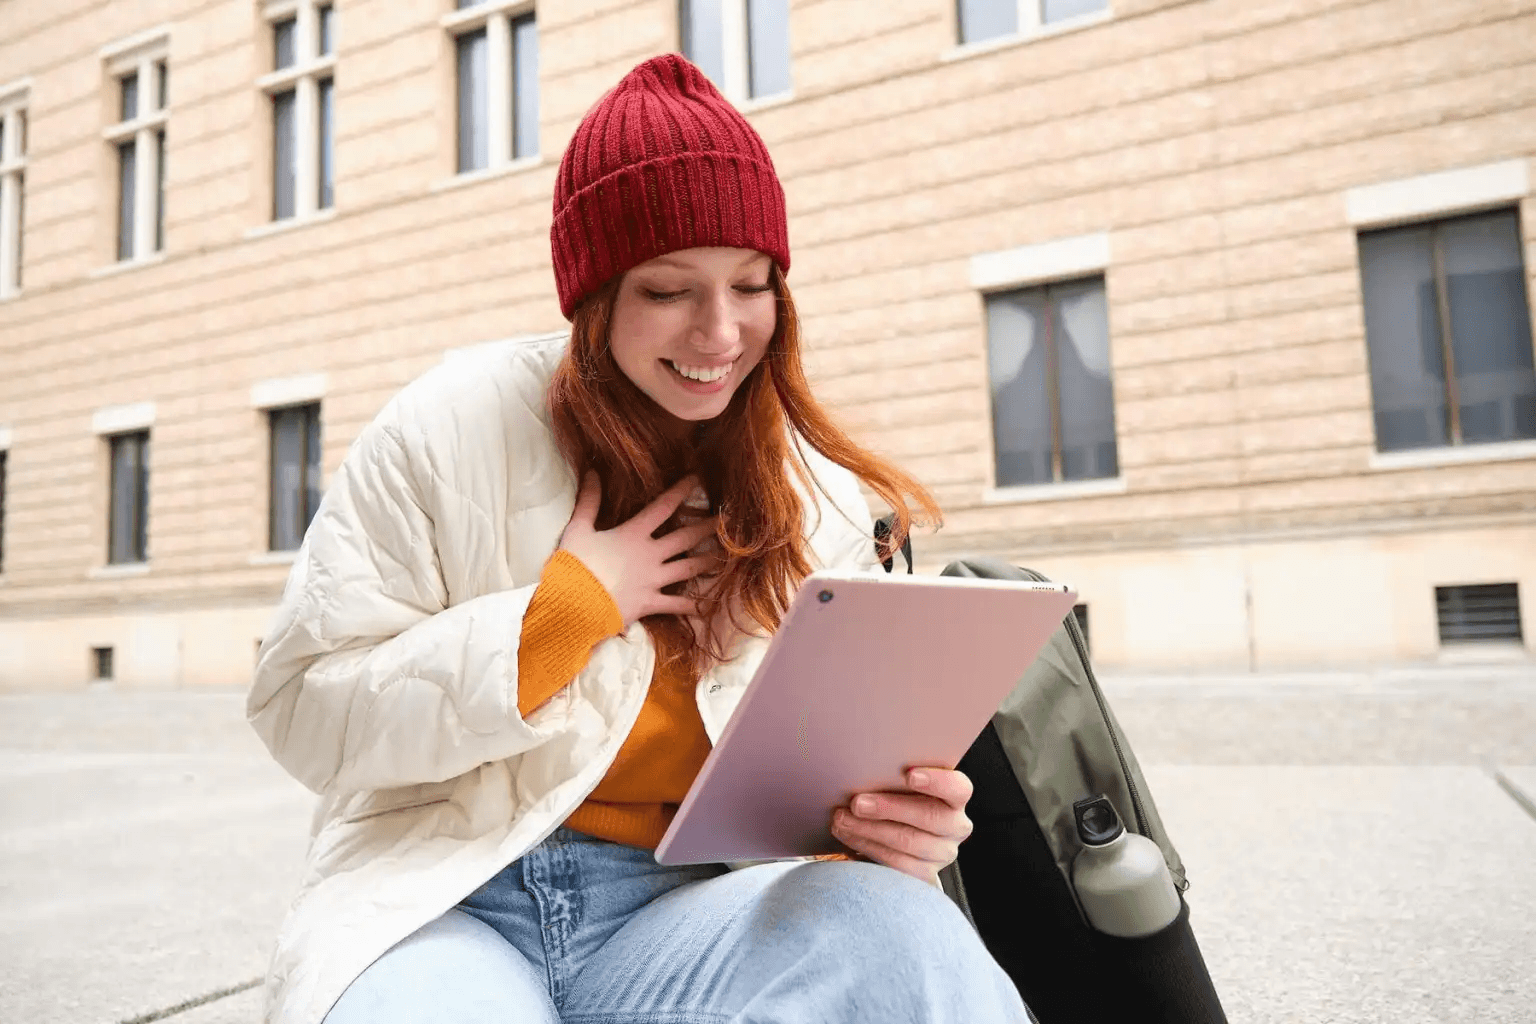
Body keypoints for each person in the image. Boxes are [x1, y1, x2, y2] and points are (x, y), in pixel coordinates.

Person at [248, 53, 1035, 1024]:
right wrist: (562, 614)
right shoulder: (448, 427)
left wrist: (889, 829)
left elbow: (816, 799)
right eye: (669, 290)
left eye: (751, 285)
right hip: (447, 900)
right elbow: (299, 710)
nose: (720, 334)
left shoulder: (812, 490)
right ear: (595, 294)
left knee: (907, 939)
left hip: (685, 915)